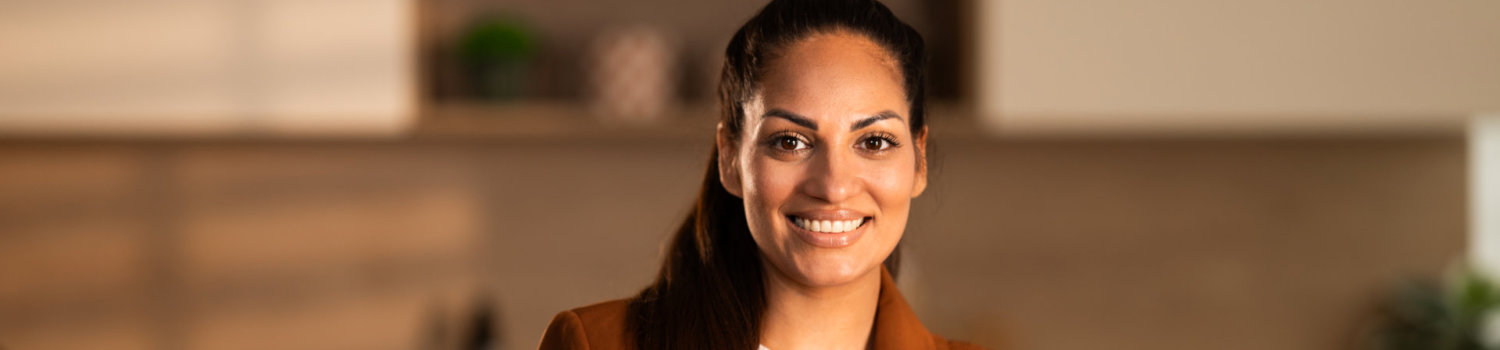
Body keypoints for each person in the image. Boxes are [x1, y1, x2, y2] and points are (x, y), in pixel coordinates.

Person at [539, 0, 980, 348]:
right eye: (790, 141)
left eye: (874, 142)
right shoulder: (596, 344)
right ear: (730, 158)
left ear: (918, 161)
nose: (833, 185)